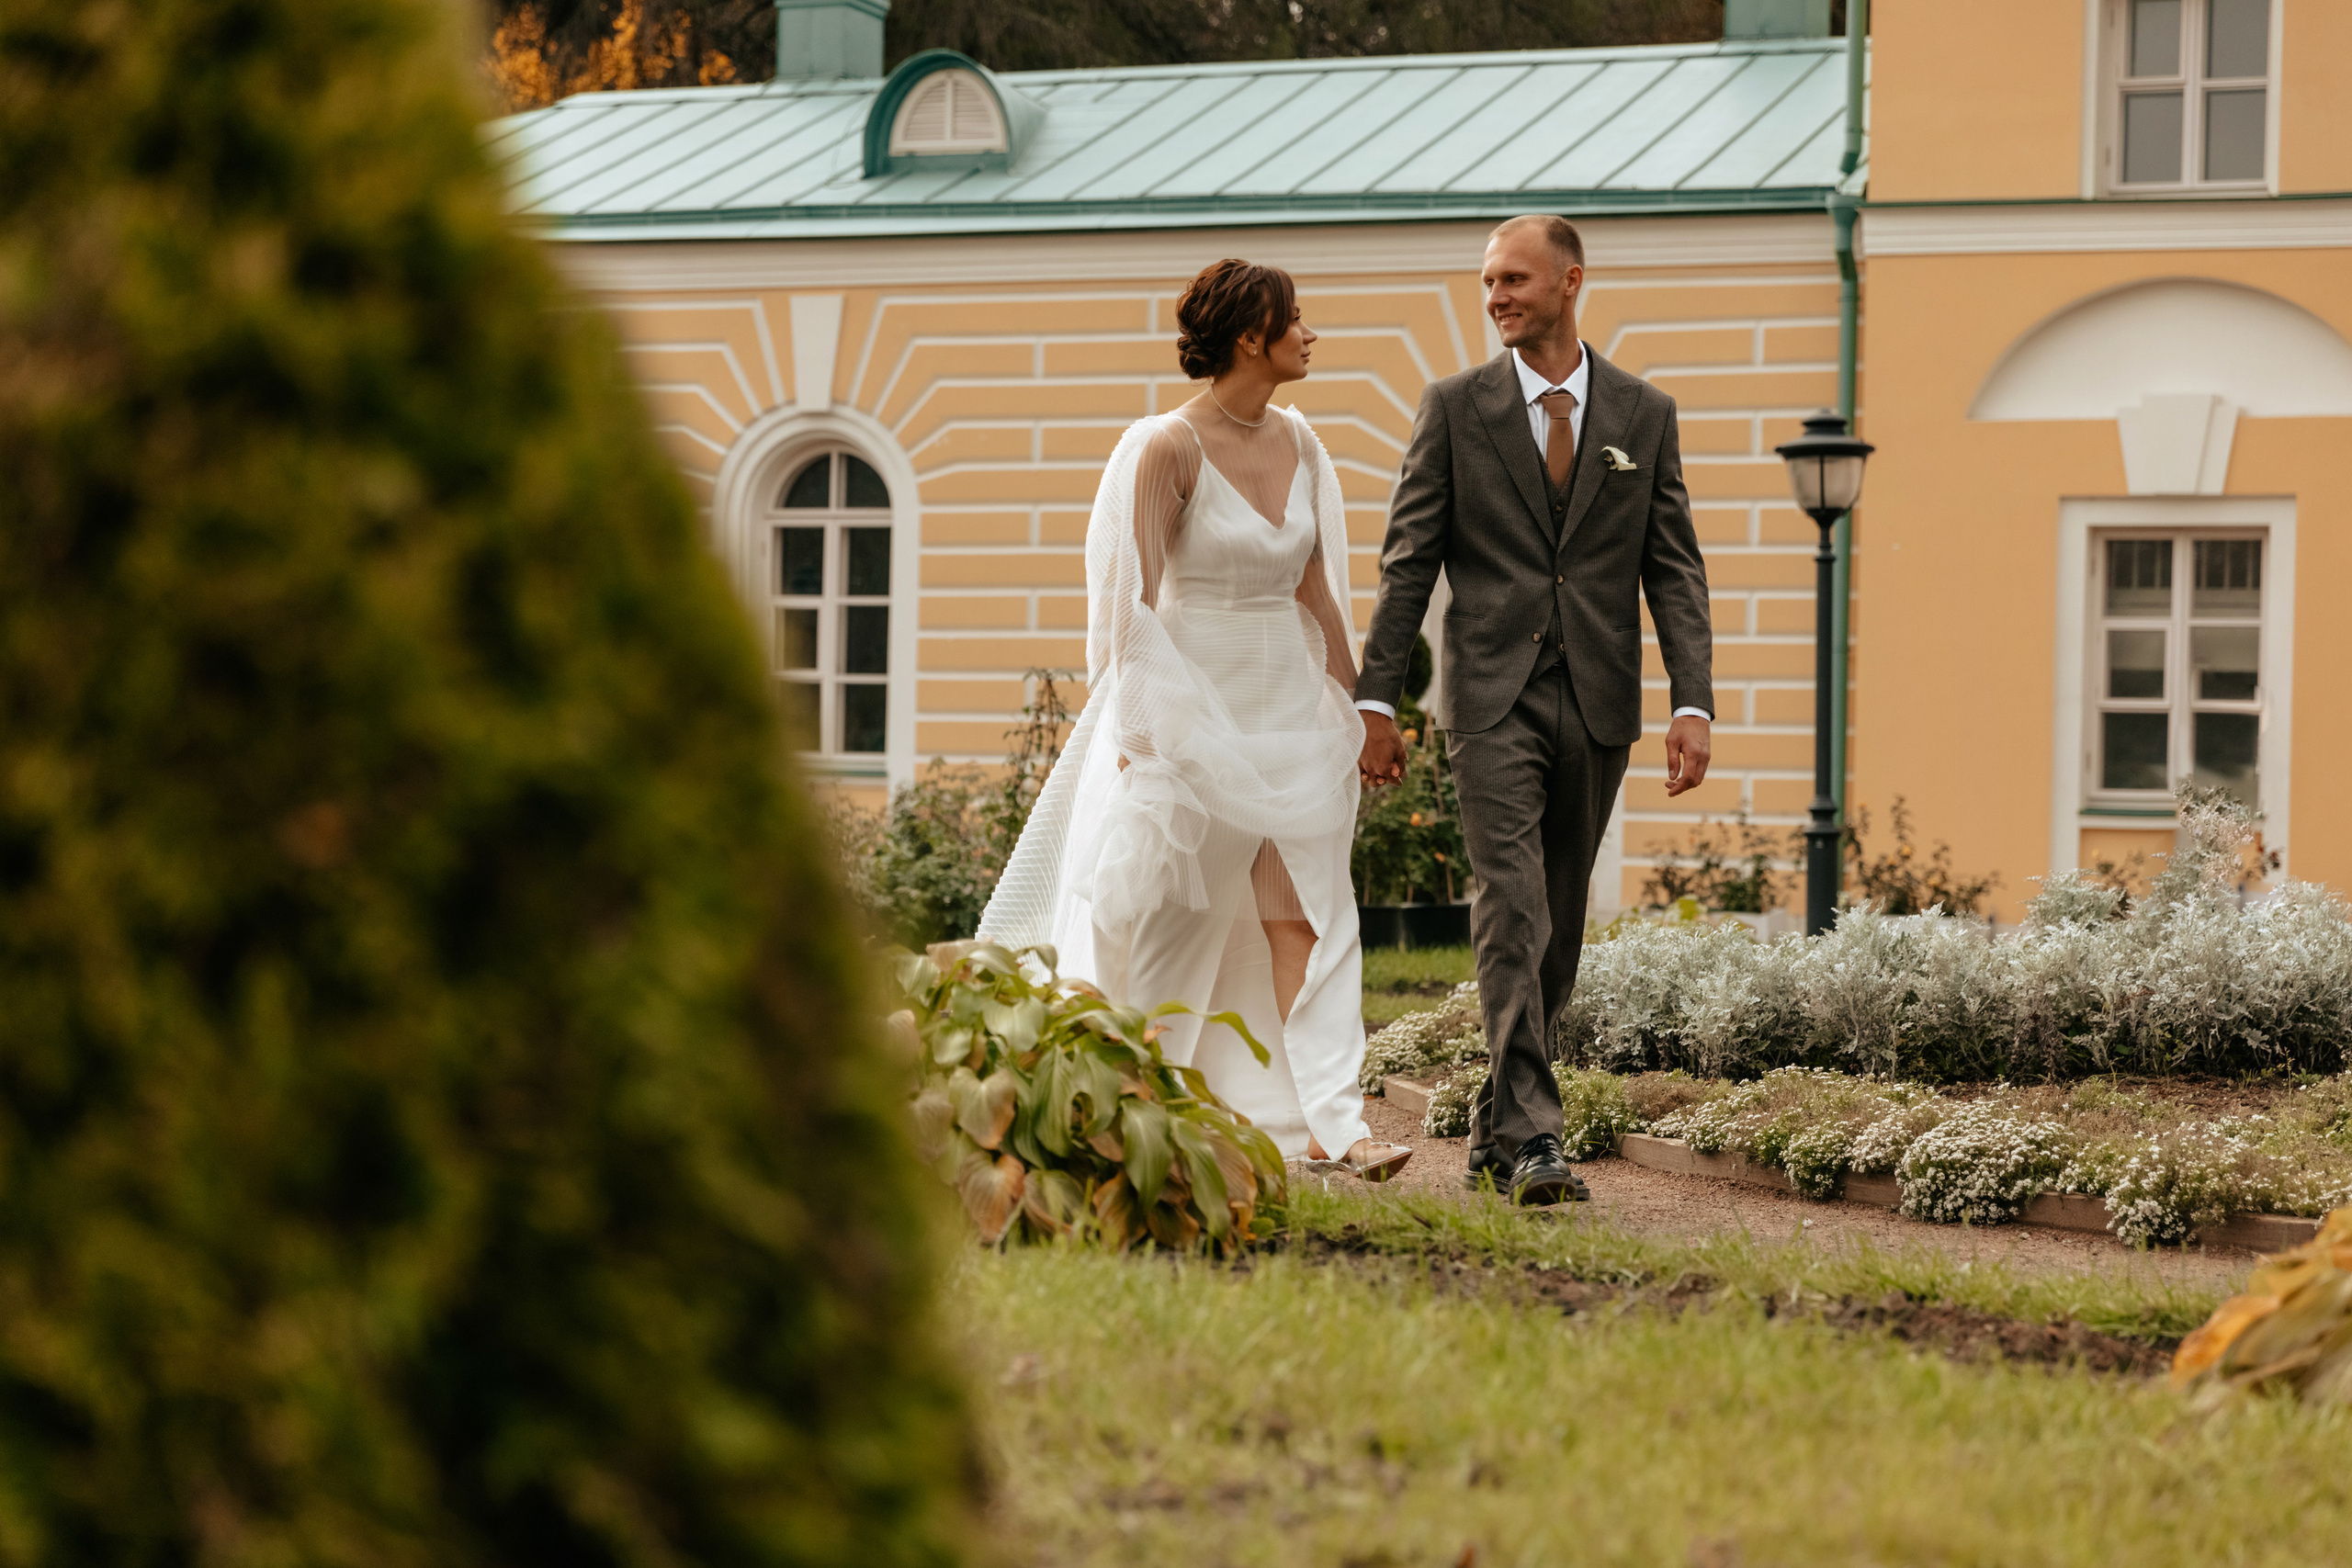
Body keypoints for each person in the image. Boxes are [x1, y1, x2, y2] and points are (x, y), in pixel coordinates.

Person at [981, 259, 1411, 1181]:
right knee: (1174, 921)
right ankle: (1144, 1103)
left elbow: (1316, 591)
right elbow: (1129, 603)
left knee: (1309, 915)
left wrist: (1363, 707)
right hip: (1190, 706)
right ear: (1252, 336)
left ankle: (1337, 1123)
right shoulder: (1166, 448)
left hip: (1290, 712)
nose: (1310, 333)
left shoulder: (1302, 442)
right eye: (1295, 319)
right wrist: (1141, 740)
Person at [1354, 215, 1715, 1205]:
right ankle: (1538, 1141)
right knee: (1510, 905)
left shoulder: (1643, 414)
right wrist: (1375, 698)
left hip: (1596, 698)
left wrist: (1694, 702)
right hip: (1489, 701)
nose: (1495, 296)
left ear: (1569, 283)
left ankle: (1490, 1133)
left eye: (1513, 279)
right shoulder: (1453, 408)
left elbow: (1673, 570)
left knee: (1555, 928)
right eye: (1486, 282)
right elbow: (1406, 564)